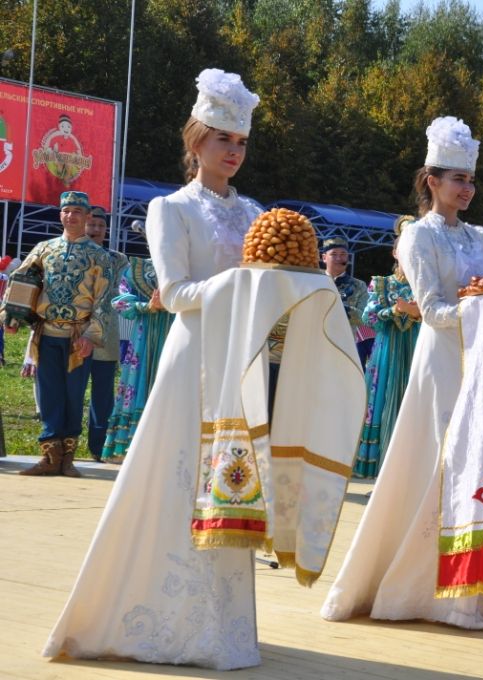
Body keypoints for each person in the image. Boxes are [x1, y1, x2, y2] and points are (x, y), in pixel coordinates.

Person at [43, 68, 267, 669]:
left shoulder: (257, 213)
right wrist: (246, 285)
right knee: (174, 485)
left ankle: (220, 624)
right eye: (223, 139)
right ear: (196, 142)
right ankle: (153, 616)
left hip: (239, 363)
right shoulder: (170, 209)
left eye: (241, 141)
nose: (234, 151)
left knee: (228, 487)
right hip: (193, 359)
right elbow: (174, 291)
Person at [321, 115, 483, 630]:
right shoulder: (417, 238)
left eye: (471, 180)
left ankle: (467, 588)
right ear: (432, 181)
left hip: (477, 360)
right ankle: (427, 591)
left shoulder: (480, 237)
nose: (467, 188)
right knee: (435, 465)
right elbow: (433, 308)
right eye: (458, 179)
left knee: (472, 467)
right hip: (439, 359)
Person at [1, 191, 111, 477]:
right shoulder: (43, 248)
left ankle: (67, 459)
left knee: (73, 395)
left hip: (78, 337)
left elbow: (104, 300)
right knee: (49, 394)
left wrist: (92, 335)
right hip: (46, 333)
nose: (70, 215)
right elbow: (20, 281)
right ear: (60, 214)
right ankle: (49, 456)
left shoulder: (99, 256)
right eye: (66, 210)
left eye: (77, 211)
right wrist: (11, 317)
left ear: (87, 216)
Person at [354, 215, 422, 478]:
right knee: (383, 402)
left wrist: (420, 314)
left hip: (416, 350)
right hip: (388, 353)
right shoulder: (382, 283)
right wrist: (394, 309)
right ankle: (382, 467)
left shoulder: (425, 286)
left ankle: (410, 470)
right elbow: (367, 316)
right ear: (395, 252)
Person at [100, 257, 174, 461]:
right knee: (140, 381)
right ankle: (129, 446)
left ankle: (170, 446)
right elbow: (121, 300)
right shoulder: (137, 268)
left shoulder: (191, 263)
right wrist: (147, 305)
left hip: (180, 332)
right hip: (144, 334)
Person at [84, 206, 129, 461]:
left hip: (107, 337)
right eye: (92, 225)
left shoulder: (118, 259)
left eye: (100, 226)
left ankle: (99, 448)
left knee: (102, 395)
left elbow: (124, 292)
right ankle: (62, 445)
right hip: (75, 333)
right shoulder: (75, 255)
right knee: (72, 391)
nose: (96, 230)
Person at [322, 236, 370, 363]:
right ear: (324, 258)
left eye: (343, 254)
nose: (339, 258)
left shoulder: (359, 285)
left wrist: (337, 306)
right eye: (334, 254)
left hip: (345, 346)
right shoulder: (314, 281)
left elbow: (364, 317)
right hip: (315, 342)